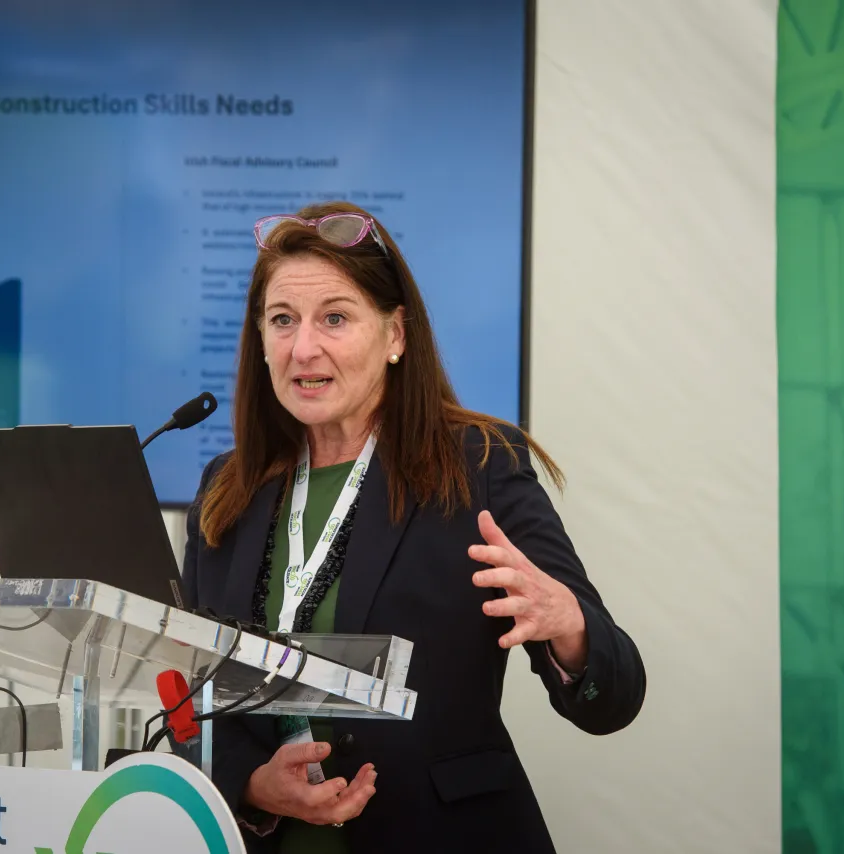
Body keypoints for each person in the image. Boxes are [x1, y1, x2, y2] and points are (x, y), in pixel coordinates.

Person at [181, 201, 645, 853]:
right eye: (282, 319)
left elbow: (614, 697)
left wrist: (569, 626)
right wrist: (251, 784)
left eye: (334, 318)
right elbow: (189, 695)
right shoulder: (227, 488)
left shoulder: (478, 466)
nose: (303, 347)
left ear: (395, 334)